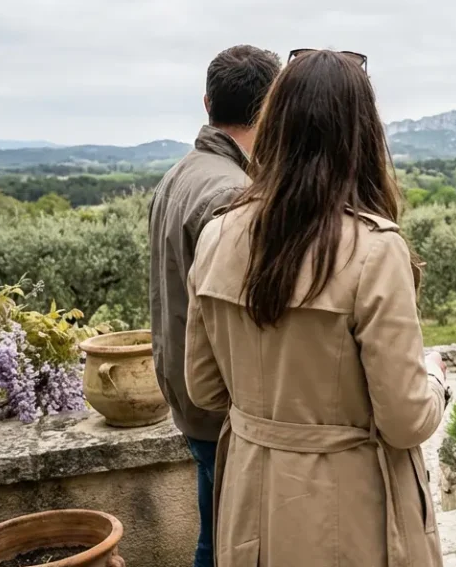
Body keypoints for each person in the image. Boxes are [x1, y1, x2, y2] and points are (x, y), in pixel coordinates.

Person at [183, 49, 450, 567]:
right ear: (362, 133)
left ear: (275, 124)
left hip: (247, 501)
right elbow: (405, 420)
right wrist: (434, 379)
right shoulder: (374, 249)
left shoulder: (217, 234)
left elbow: (206, 387)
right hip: (348, 511)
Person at [148, 44, 281, 567]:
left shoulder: (179, 174)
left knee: (215, 528)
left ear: (207, 103)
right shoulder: (233, 195)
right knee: (228, 542)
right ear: (272, 109)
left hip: (185, 392)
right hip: (220, 403)